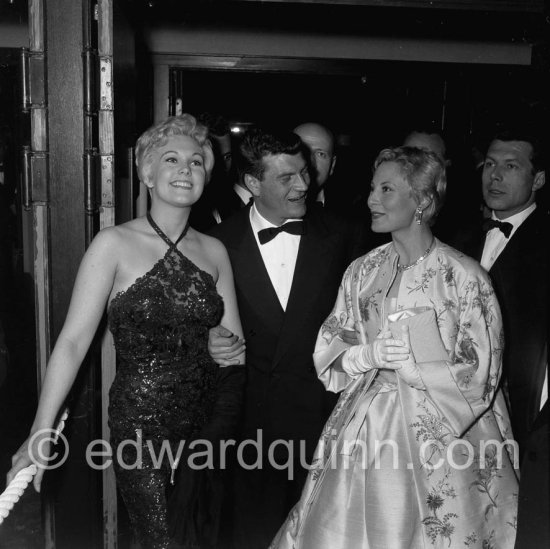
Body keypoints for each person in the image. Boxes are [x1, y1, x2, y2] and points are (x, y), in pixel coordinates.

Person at [7, 114, 245, 549]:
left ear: (206, 177)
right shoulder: (112, 243)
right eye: (171, 159)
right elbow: (73, 343)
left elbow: (234, 350)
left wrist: (218, 343)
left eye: (196, 162)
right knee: (160, 538)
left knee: (198, 535)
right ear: (147, 174)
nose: (185, 169)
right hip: (140, 423)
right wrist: (41, 431)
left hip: (207, 423)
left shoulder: (215, 251)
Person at [271, 146, 518, 549]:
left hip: (443, 434)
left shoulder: (464, 277)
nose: (372, 199)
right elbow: (334, 338)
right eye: (372, 188)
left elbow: (482, 373)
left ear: (422, 201)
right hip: (364, 425)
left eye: (387, 189)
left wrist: (419, 372)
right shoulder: (363, 270)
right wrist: (364, 356)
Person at [206, 127, 358, 549]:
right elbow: (193, 328)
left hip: (323, 424)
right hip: (250, 435)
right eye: (287, 177)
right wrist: (208, 341)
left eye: (305, 172)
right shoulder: (216, 244)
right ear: (253, 183)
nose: (304, 184)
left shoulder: (346, 235)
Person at [454, 127, 548, 455]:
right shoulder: (458, 237)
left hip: (520, 416)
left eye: (511, 166)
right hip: (456, 410)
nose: (495, 176)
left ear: (538, 180)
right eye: (490, 164)